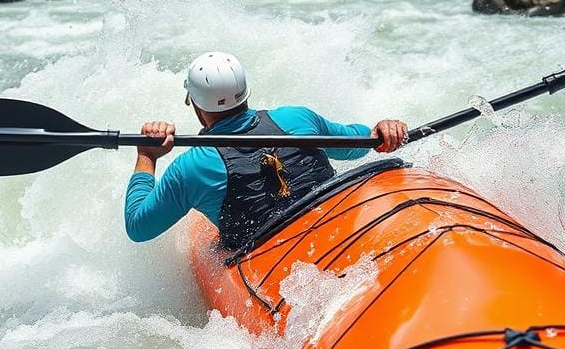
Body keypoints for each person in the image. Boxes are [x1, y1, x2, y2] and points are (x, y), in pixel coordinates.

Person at [124, 52, 409, 249]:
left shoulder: (191, 168)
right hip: (338, 230)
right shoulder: (297, 118)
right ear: (247, 91)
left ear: (194, 103)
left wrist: (146, 157)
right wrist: (380, 130)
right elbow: (356, 147)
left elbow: (138, 227)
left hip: (280, 267)